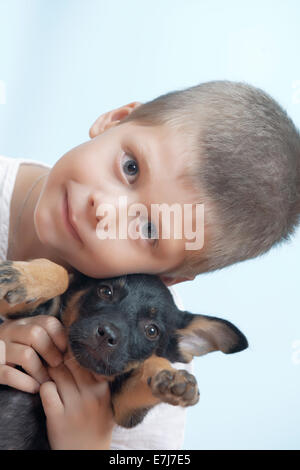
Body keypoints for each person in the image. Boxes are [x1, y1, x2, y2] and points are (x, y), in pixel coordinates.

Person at [0, 80, 299, 449]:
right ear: (116, 120)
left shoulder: (161, 377)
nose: (105, 208)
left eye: (148, 229)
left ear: (168, 278)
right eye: (130, 167)